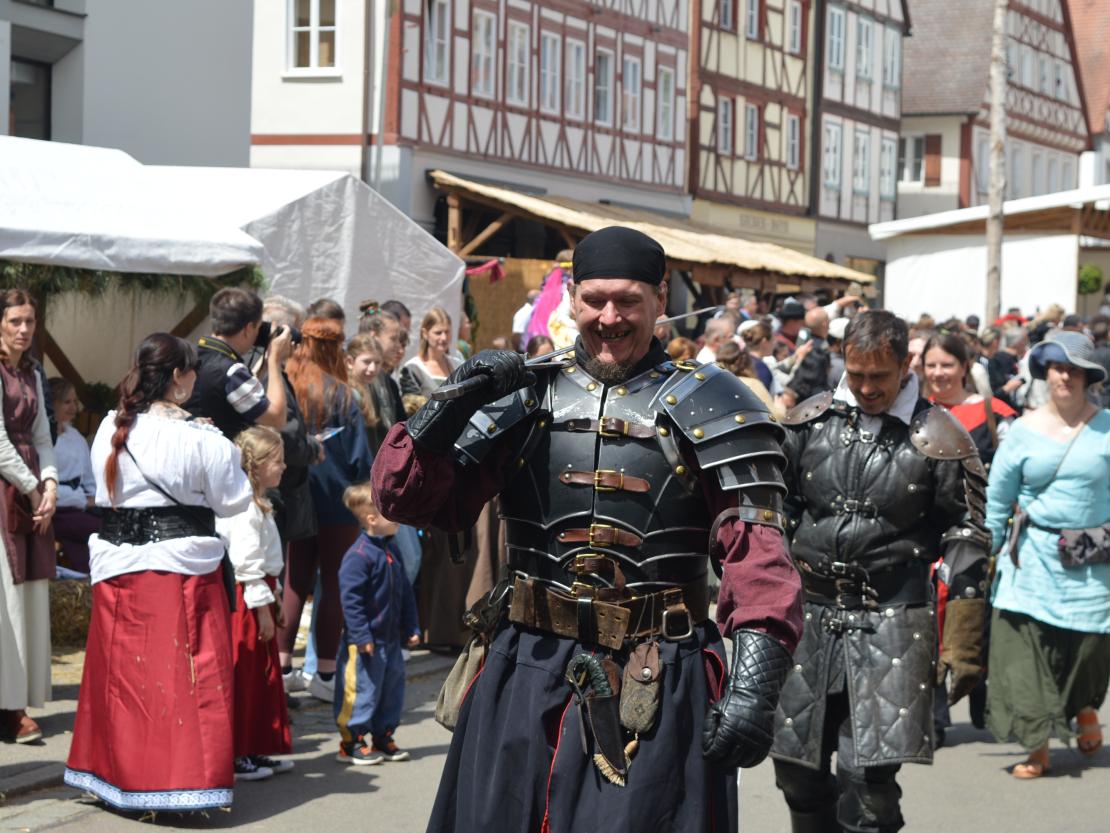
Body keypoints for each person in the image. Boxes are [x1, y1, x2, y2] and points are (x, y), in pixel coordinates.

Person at [371, 226, 803, 833]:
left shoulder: (716, 404)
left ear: (659, 298)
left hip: (657, 673)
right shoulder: (524, 396)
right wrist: (453, 400)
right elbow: (405, 499)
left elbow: (758, 556)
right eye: (595, 299)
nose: (609, 317)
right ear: (572, 298)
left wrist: (755, 687)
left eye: (627, 300)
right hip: (525, 665)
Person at [771, 310, 991, 833]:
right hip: (811, 616)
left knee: (867, 784)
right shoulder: (809, 420)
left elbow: (967, 531)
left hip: (892, 617)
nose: (867, 387)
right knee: (795, 773)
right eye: (857, 373)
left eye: (880, 376)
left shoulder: (939, 435)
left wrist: (961, 636)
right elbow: (776, 509)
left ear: (904, 364)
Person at [64, 333, 253, 811]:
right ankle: (177, 784)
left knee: (123, 679)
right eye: (191, 372)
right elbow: (233, 499)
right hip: (178, 567)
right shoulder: (205, 440)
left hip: (117, 565)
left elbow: (106, 494)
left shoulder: (110, 427)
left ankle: (114, 777)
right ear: (177, 378)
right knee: (184, 678)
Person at [984, 330, 1110, 779]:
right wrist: (991, 547)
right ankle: (1037, 744)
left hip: (1094, 555)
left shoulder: (1107, 427)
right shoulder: (1023, 430)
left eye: (1075, 369)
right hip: (1032, 555)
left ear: (1088, 377)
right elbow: (999, 496)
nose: (1066, 376)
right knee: (1024, 648)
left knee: (1091, 644)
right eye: (1059, 367)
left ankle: (1082, 707)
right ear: (1046, 372)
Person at [278, 318, 374, 702]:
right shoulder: (344, 396)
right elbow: (359, 460)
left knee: (294, 581)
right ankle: (325, 673)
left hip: (295, 499)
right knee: (334, 583)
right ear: (335, 350)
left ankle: (282, 667)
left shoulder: (287, 388)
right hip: (337, 503)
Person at [218, 426, 294, 781]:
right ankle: (236, 752)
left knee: (259, 679)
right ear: (258, 465)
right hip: (248, 602)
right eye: (277, 461)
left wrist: (274, 596)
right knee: (245, 676)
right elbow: (247, 564)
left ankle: (254, 746)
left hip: (262, 592)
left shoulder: (259, 503)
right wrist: (263, 609)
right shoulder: (246, 507)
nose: (284, 467)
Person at [0, 290, 57, 744]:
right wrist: (34, 486)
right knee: (7, 600)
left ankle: (17, 700)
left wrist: (52, 482)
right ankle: (9, 706)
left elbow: (42, 436)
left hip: (31, 487)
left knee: (30, 595)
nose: (24, 329)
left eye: (30, 321)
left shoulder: (33, 372)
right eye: (16, 320)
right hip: (6, 489)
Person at [333, 483, 420, 765]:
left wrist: (412, 627)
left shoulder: (391, 551)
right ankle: (351, 741)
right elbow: (351, 602)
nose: (397, 518)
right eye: (390, 513)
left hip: (391, 639)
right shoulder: (358, 557)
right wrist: (360, 635)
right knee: (361, 690)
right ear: (372, 519)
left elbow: (406, 593)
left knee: (391, 689)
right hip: (366, 641)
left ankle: (383, 735)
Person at [185, 287, 292, 439]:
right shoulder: (231, 371)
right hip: (223, 456)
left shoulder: (190, 354)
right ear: (248, 328)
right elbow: (276, 419)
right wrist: (275, 361)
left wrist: (265, 365)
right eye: (258, 327)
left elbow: (235, 392)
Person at [923, 333, 1016, 468]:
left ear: (964, 368)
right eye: (931, 366)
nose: (937, 373)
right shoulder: (916, 412)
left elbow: (1011, 469)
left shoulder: (995, 411)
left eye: (946, 365)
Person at [47, 377, 99, 574]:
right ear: (52, 403)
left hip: (79, 507)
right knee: (98, 529)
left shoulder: (75, 437)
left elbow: (88, 478)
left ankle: (83, 576)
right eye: (67, 402)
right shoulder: (45, 439)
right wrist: (83, 501)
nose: (73, 407)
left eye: (75, 402)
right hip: (56, 509)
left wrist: (95, 499)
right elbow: (44, 485)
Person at [400, 307, 462, 398]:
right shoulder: (414, 368)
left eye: (447, 332)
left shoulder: (457, 364)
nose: (444, 338)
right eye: (438, 333)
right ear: (425, 333)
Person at [345, 333, 385, 451]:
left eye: (377, 363)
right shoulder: (350, 394)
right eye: (366, 362)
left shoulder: (370, 388)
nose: (372, 368)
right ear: (350, 362)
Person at [716, 341, 777, 414]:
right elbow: (774, 415)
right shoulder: (753, 384)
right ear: (747, 361)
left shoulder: (714, 384)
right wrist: (781, 406)